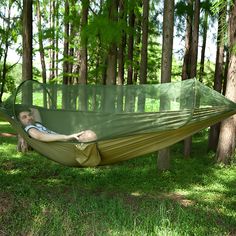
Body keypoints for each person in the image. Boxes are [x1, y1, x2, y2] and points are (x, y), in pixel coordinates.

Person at [17, 109, 97, 143]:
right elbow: (39, 136)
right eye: (24, 117)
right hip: (61, 142)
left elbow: (35, 110)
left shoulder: (37, 123)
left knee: (89, 134)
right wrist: (67, 137)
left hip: (64, 139)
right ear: (20, 122)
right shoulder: (30, 128)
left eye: (29, 115)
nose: (29, 118)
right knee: (90, 135)